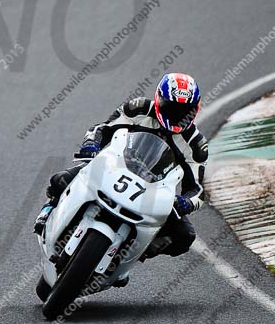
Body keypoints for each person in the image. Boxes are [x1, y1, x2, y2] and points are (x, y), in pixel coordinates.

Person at [34, 73, 207, 277]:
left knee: (184, 237)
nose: (178, 115)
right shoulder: (138, 108)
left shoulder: (196, 145)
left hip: (153, 191)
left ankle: (135, 253)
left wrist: (185, 202)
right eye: (172, 108)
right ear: (159, 99)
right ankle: (48, 209)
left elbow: (197, 189)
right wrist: (91, 144)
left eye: (184, 110)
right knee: (60, 180)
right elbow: (102, 129)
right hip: (115, 167)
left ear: (195, 109)